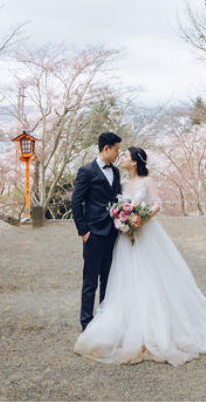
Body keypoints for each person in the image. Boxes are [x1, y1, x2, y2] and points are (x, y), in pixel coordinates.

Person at [74, 146, 206, 366]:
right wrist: (122, 220)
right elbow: (115, 206)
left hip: (147, 232)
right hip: (125, 237)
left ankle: (160, 324)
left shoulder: (147, 181)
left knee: (153, 275)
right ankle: (124, 324)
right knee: (125, 278)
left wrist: (141, 218)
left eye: (126, 156)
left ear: (134, 162)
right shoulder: (120, 183)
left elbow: (158, 204)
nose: (122, 158)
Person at [71, 131, 122, 331]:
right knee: (90, 280)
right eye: (116, 149)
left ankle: (105, 318)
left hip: (113, 232)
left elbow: (117, 198)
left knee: (109, 279)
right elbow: (76, 202)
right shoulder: (86, 171)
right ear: (106, 148)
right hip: (93, 233)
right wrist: (83, 231)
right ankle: (86, 323)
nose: (118, 153)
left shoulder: (116, 171)